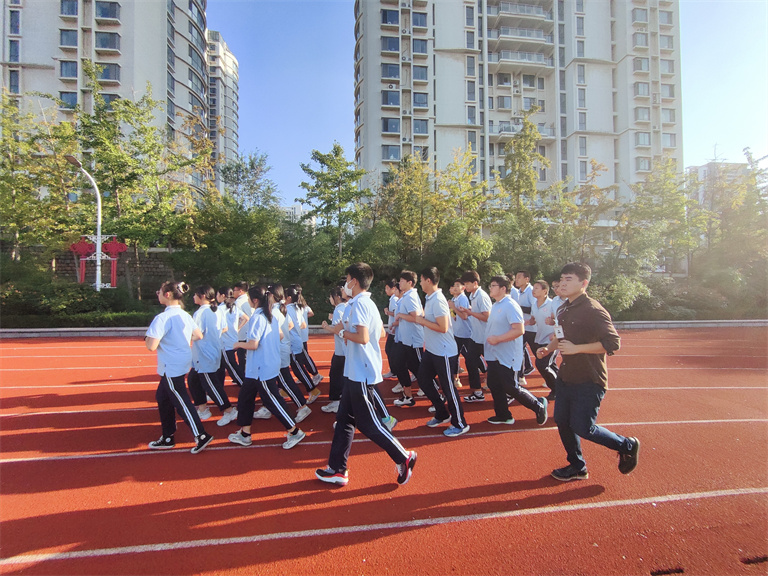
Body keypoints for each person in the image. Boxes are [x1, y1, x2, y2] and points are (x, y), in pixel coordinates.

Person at [536, 262, 639, 481]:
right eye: (562, 279)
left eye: (569, 279)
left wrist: (577, 349)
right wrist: (548, 348)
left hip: (589, 380)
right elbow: (560, 335)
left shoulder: (594, 310)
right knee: (562, 421)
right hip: (567, 377)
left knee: (584, 427)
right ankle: (577, 466)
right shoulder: (563, 308)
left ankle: (626, 445)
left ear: (584, 283)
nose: (563, 283)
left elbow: (613, 343)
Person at [315, 262, 416, 486]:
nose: (345, 284)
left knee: (369, 424)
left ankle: (404, 457)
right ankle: (338, 469)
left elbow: (363, 337)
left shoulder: (361, 304)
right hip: (354, 371)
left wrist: (341, 331)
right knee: (344, 421)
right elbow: (375, 331)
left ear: (355, 282)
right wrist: (339, 330)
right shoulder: (360, 303)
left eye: (347, 279)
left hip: (361, 373)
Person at [229, 285, 306, 450]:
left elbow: (254, 344)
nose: (248, 301)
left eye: (249, 298)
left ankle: (294, 431)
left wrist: (238, 344)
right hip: (259, 367)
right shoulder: (270, 314)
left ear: (255, 300)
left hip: (261, 368)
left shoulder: (258, 317)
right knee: (245, 398)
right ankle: (245, 433)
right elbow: (280, 334)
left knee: (272, 401)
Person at [145, 281, 214, 454]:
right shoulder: (185, 315)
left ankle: (201, 434)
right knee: (162, 397)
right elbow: (197, 335)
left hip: (171, 364)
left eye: (159, 291)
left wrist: (152, 338)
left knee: (181, 400)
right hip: (181, 360)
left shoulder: (162, 318)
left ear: (167, 294)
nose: (158, 294)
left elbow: (151, 346)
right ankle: (168, 436)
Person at [404, 267, 469, 437]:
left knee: (448, 388)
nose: (419, 283)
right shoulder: (430, 298)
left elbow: (443, 327)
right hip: (432, 351)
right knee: (424, 380)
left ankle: (460, 423)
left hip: (445, 353)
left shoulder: (439, 300)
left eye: (421, 280)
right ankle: (442, 413)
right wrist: (422, 319)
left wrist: (422, 321)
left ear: (428, 280)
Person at [484, 276, 549, 426]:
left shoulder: (510, 305)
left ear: (503, 289)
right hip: (494, 353)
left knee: (510, 386)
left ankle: (538, 405)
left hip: (508, 355)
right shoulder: (496, 305)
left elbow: (519, 330)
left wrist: (498, 339)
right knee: (494, 383)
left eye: (493, 285)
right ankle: (503, 415)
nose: (490, 288)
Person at [250, 283, 312, 424]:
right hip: (280, 349)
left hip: (279, 350)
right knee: (275, 381)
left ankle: (302, 405)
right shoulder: (277, 310)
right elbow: (288, 326)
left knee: (284, 379)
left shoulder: (274, 311)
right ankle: (268, 406)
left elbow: (280, 333)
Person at [188, 285, 237, 427]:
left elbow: (197, 334)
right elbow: (224, 328)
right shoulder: (217, 310)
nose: (193, 297)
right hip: (213, 350)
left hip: (205, 353)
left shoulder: (200, 313)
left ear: (202, 296)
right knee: (193, 380)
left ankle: (228, 410)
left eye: (195, 294)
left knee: (211, 385)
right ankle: (202, 409)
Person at [392, 270, 428, 407]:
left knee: (420, 368)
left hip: (414, 341)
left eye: (402, 281)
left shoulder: (411, 296)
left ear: (410, 283)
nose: (399, 283)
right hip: (405, 340)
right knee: (399, 364)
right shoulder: (407, 296)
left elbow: (417, 317)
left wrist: (401, 315)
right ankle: (408, 395)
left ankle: (435, 391)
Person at [455, 270, 491, 402]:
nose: (465, 287)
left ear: (475, 283)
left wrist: (469, 313)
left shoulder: (481, 296)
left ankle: (506, 390)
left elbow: (487, 316)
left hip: (485, 338)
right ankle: (477, 392)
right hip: (475, 337)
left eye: (467, 284)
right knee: (470, 361)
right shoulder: (473, 295)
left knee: (494, 365)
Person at [285, 284, 323, 403]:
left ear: (289, 298)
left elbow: (290, 325)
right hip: (296, 340)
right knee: (294, 366)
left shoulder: (286, 310)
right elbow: (303, 325)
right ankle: (284, 388)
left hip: (292, 342)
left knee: (298, 368)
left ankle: (312, 389)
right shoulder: (298, 308)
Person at [528, 280, 559, 401]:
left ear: (545, 291)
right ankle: (564, 386)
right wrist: (527, 322)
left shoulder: (552, 304)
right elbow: (533, 319)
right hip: (539, 339)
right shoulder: (534, 304)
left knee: (542, 365)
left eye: (536, 288)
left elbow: (561, 319)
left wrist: (554, 325)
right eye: (533, 288)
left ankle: (556, 390)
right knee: (552, 365)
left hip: (551, 341)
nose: (533, 290)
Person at [320, 285, 347, 414]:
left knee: (336, 375)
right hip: (345, 349)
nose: (330, 299)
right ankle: (340, 400)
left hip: (341, 350)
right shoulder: (346, 307)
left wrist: (326, 327)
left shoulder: (339, 309)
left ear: (336, 297)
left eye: (330, 297)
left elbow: (338, 330)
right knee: (340, 374)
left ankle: (337, 401)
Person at [216, 286, 246, 387]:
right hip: (232, 339)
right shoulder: (234, 307)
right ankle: (219, 388)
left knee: (232, 367)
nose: (216, 297)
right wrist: (237, 328)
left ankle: (246, 386)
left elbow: (220, 327)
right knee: (220, 366)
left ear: (223, 296)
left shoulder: (219, 309)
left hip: (225, 342)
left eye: (217, 294)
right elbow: (246, 318)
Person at [513, 270, 536, 383]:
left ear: (527, 279)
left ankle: (553, 374)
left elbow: (535, 308)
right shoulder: (518, 292)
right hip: (523, 327)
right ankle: (520, 376)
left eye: (519, 277)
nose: (516, 280)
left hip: (533, 328)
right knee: (518, 350)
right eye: (516, 277)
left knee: (539, 353)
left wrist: (519, 308)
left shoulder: (531, 291)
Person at [448, 278, 472, 388]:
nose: (454, 287)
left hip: (466, 334)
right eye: (454, 285)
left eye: (458, 285)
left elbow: (464, 316)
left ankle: (486, 374)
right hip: (456, 333)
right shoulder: (455, 299)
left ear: (463, 288)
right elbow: (456, 317)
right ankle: (456, 378)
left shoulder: (462, 299)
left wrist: (453, 307)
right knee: (454, 355)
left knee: (471, 357)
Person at [232, 281, 251, 372]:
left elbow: (239, 318)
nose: (233, 292)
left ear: (240, 291)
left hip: (242, 333)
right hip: (250, 333)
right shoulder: (249, 299)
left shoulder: (238, 302)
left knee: (241, 356)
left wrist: (237, 328)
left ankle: (242, 377)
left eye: (234, 290)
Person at [382, 279, 399, 379]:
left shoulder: (395, 299)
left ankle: (395, 371)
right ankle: (394, 370)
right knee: (389, 350)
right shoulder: (392, 298)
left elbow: (396, 313)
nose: (386, 290)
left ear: (393, 289)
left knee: (390, 350)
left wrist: (388, 312)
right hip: (393, 329)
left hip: (395, 330)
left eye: (387, 288)